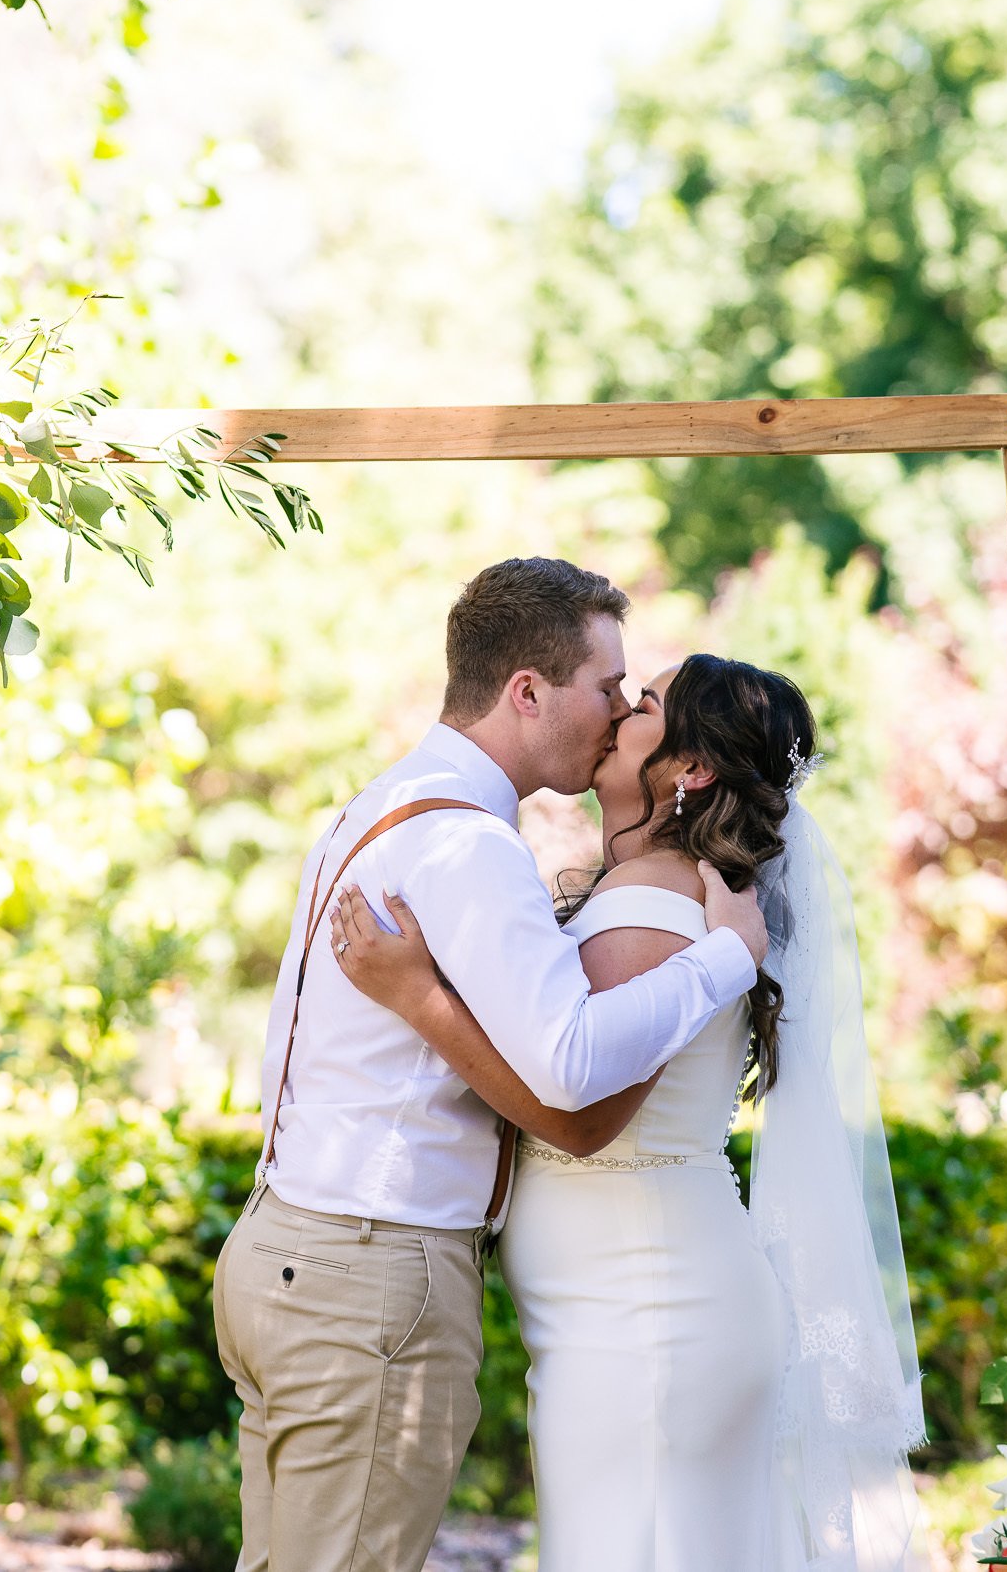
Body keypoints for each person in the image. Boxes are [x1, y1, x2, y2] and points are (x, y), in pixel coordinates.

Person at [212, 558, 771, 1572]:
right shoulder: (467, 846)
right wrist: (728, 957)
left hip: (292, 1241)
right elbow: (570, 1070)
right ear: (526, 690)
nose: (617, 711)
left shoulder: (380, 807)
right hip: (366, 1271)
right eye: (609, 688)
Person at [334, 655, 922, 1572]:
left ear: (690, 769)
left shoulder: (652, 895)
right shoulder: (662, 887)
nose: (617, 706)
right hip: (634, 1306)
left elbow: (582, 1117)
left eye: (643, 701)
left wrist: (420, 999)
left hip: (647, 1316)